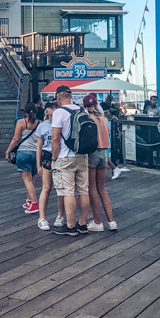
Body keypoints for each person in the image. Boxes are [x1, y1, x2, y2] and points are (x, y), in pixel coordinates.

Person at [51, 85, 90, 236]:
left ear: (59, 97)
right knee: (83, 191)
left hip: (65, 156)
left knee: (68, 192)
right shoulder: (82, 110)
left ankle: (70, 225)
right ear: (71, 96)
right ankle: (83, 223)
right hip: (82, 155)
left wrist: (54, 157)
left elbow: (55, 138)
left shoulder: (59, 112)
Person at [83, 94, 117, 231]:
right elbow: (107, 132)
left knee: (92, 188)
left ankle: (98, 221)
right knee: (102, 189)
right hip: (104, 153)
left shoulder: (88, 119)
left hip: (92, 153)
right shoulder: (103, 118)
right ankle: (111, 221)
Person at [35, 103, 66, 230]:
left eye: (56, 107)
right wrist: (38, 165)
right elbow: (39, 146)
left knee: (60, 188)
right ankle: (41, 217)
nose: (54, 110)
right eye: (52, 107)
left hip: (60, 155)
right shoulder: (42, 126)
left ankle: (60, 215)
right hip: (47, 156)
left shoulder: (62, 124)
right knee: (46, 187)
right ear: (46, 110)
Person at [5, 103, 40, 214]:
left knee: (26, 179)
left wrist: (8, 151)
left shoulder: (21, 122)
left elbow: (16, 139)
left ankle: (34, 204)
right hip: (36, 153)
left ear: (25, 112)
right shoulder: (40, 123)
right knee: (31, 177)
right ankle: (29, 200)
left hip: (23, 153)